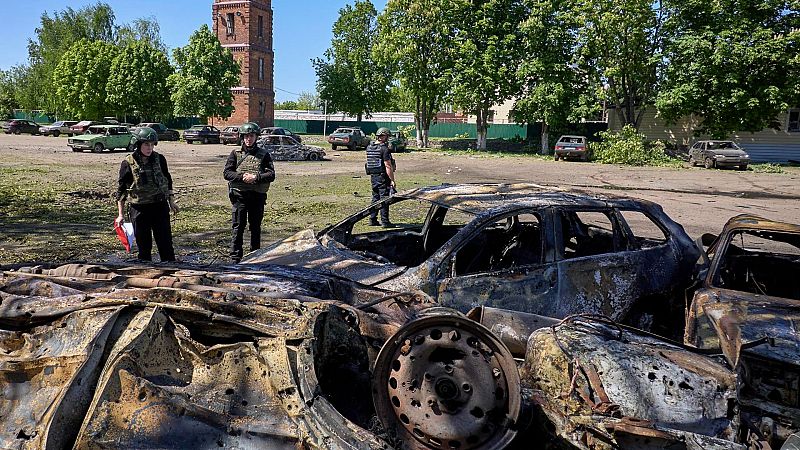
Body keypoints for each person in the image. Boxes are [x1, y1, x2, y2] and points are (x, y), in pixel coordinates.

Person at [115, 127, 178, 262]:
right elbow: (121, 190)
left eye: (151, 145)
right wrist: (120, 215)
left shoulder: (160, 159)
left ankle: (171, 272)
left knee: (165, 243)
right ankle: (146, 274)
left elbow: (167, 179)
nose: (149, 148)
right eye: (146, 144)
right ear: (138, 144)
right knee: (144, 246)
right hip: (139, 209)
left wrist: (171, 201)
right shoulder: (128, 163)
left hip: (159, 206)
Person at [223, 122, 276, 263]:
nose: (249, 139)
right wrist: (242, 177)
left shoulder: (264, 155)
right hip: (240, 196)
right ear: (242, 137)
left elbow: (271, 175)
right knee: (238, 227)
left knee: (255, 228)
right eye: (246, 136)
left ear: (256, 137)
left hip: (257, 198)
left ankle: (255, 256)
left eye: (251, 136)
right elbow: (227, 173)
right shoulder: (235, 154)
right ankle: (235, 258)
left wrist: (256, 177)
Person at [364, 127, 397, 227]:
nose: (388, 138)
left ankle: (372, 219)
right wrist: (392, 180)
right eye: (387, 136)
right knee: (384, 199)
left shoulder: (370, 147)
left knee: (375, 198)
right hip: (383, 177)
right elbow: (388, 166)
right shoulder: (384, 149)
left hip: (373, 176)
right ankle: (385, 222)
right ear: (384, 136)